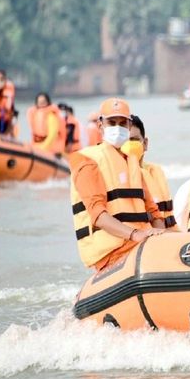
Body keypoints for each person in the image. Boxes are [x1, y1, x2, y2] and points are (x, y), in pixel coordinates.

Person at [69, 98, 165, 271]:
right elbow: (98, 215)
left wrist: (160, 235)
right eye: (112, 122)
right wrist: (135, 234)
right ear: (100, 125)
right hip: (111, 254)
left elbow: (154, 214)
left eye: (122, 123)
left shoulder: (133, 162)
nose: (117, 128)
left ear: (129, 126)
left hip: (141, 246)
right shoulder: (87, 161)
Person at [126, 114, 176, 229]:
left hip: (164, 238)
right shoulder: (114, 178)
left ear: (145, 144)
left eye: (134, 140)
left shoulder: (156, 172)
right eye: (125, 141)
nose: (129, 146)